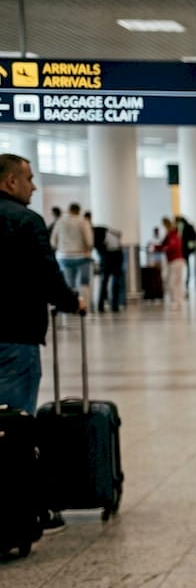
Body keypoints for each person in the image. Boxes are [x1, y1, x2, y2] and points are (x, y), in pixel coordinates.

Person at [0, 154, 86, 534]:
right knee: (14, 426)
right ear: (11, 182)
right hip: (15, 336)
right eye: (29, 179)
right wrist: (72, 302)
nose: (34, 187)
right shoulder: (25, 221)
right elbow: (47, 276)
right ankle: (19, 514)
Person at [49, 202, 94, 303]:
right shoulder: (83, 221)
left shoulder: (60, 221)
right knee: (84, 283)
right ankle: (84, 305)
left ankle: (71, 305)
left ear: (69, 210)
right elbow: (89, 241)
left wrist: (59, 249)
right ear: (79, 210)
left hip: (64, 256)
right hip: (82, 256)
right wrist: (88, 249)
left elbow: (53, 241)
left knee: (69, 284)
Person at [88, 211, 124, 312]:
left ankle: (105, 305)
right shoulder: (99, 229)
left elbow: (99, 247)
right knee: (110, 281)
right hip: (114, 254)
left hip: (112, 256)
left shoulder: (96, 231)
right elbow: (117, 234)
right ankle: (111, 306)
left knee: (106, 281)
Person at [150, 218, 186, 307]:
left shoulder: (173, 236)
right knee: (176, 282)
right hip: (173, 261)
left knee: (173, 282)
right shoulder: (170, 235)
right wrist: (157, 247)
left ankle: (176, 300)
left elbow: (172, 247)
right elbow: (164, 245)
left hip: (176, 261)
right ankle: (177, 300)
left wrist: (163, 248)